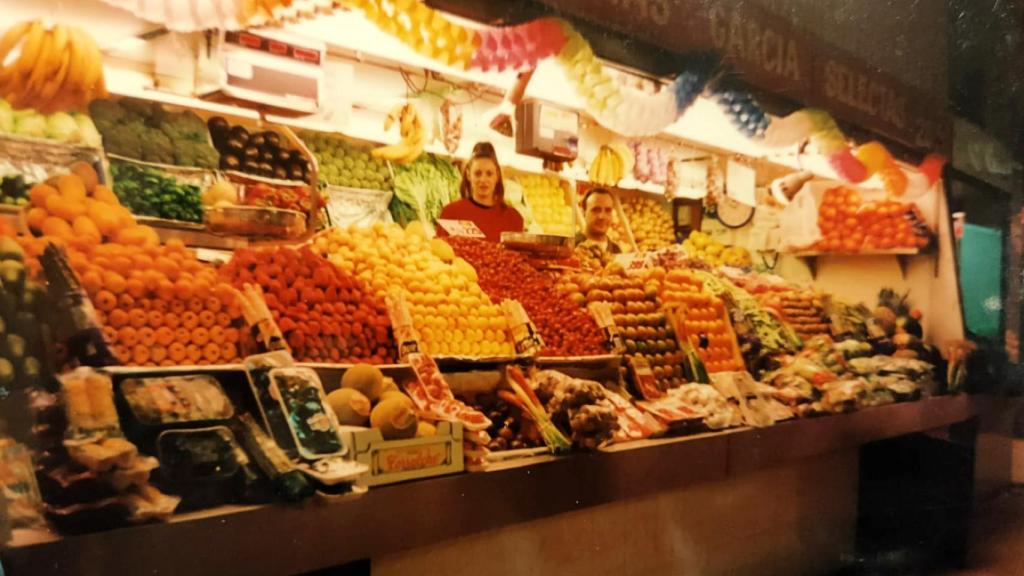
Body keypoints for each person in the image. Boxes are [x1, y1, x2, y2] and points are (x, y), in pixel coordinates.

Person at [437, 142, 523, 242]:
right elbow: (439, 252)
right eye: (477, 173)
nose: (483, 180)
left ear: (497, 176)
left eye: (489, 174)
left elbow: (518, 256)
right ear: (469, 175)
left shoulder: (513, 219)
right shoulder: (450, 213)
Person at [576, 187, 622, 254]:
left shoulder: (616, 251)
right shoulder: (571, 247)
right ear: (584, 212)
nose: (602, 216)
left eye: (608, 210)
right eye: (596, 210)